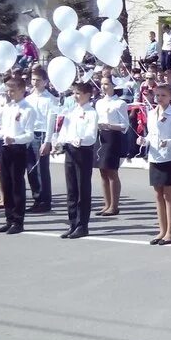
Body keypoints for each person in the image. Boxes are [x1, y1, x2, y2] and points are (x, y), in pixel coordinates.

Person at [0, 72, 37, 235]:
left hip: (18, 149)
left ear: (21, 90)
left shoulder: (27, 109)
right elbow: (4, 129)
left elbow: (29, 134)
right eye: (8, 90)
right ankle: (9, 219)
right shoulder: (8, 107)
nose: (9, 93)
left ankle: (18, 221)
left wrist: (15, 139)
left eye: (12, 90)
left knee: (17, 184)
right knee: (6, 183)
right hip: (6, 148)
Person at [53, 81, 98, 239]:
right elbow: (65, 130)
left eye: (78, 93)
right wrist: (58, 142)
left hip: (83, 151)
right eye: (74, 93)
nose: (75, 96)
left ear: (87, 95)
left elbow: (91, 135)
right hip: (70, 151)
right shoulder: (72, 111)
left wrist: (81, 139)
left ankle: (82, 225)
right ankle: (73, 223)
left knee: (82, 189)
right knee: (71, 189)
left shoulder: (91, 112)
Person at [145, 83, 171, 245]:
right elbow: (150, 135)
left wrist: (167, 143)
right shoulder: (151, 113)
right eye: (157, 95)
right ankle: (162, 229)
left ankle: (170, 232)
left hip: (168, 157)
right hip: (154, 157)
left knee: (168, 195)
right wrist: (143, 140)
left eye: (163, 95)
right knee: (158, 195)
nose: (159, 98)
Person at [94, 75, 128, 217]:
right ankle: (106, 204)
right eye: (102, 84)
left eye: (107, 84)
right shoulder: (99, 103)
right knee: (102, 171)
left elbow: (125, 125)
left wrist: (110, 125)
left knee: (112, 172)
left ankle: (114, 205)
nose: (104, 86)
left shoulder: (120, 103)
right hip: (101, 136)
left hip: (113, 137)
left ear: (113, 85)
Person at [26, 67, 59, 213]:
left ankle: (45, 200)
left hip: (41, 135)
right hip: (29, 134)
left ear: (45, 82)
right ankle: (37, 198)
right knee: (31, 169)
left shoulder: (50, 99)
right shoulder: (28, 98)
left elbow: (50, 122)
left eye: (38, 80)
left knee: (41, 169)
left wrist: (48, 141)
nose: (35, 82)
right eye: (33, 79)